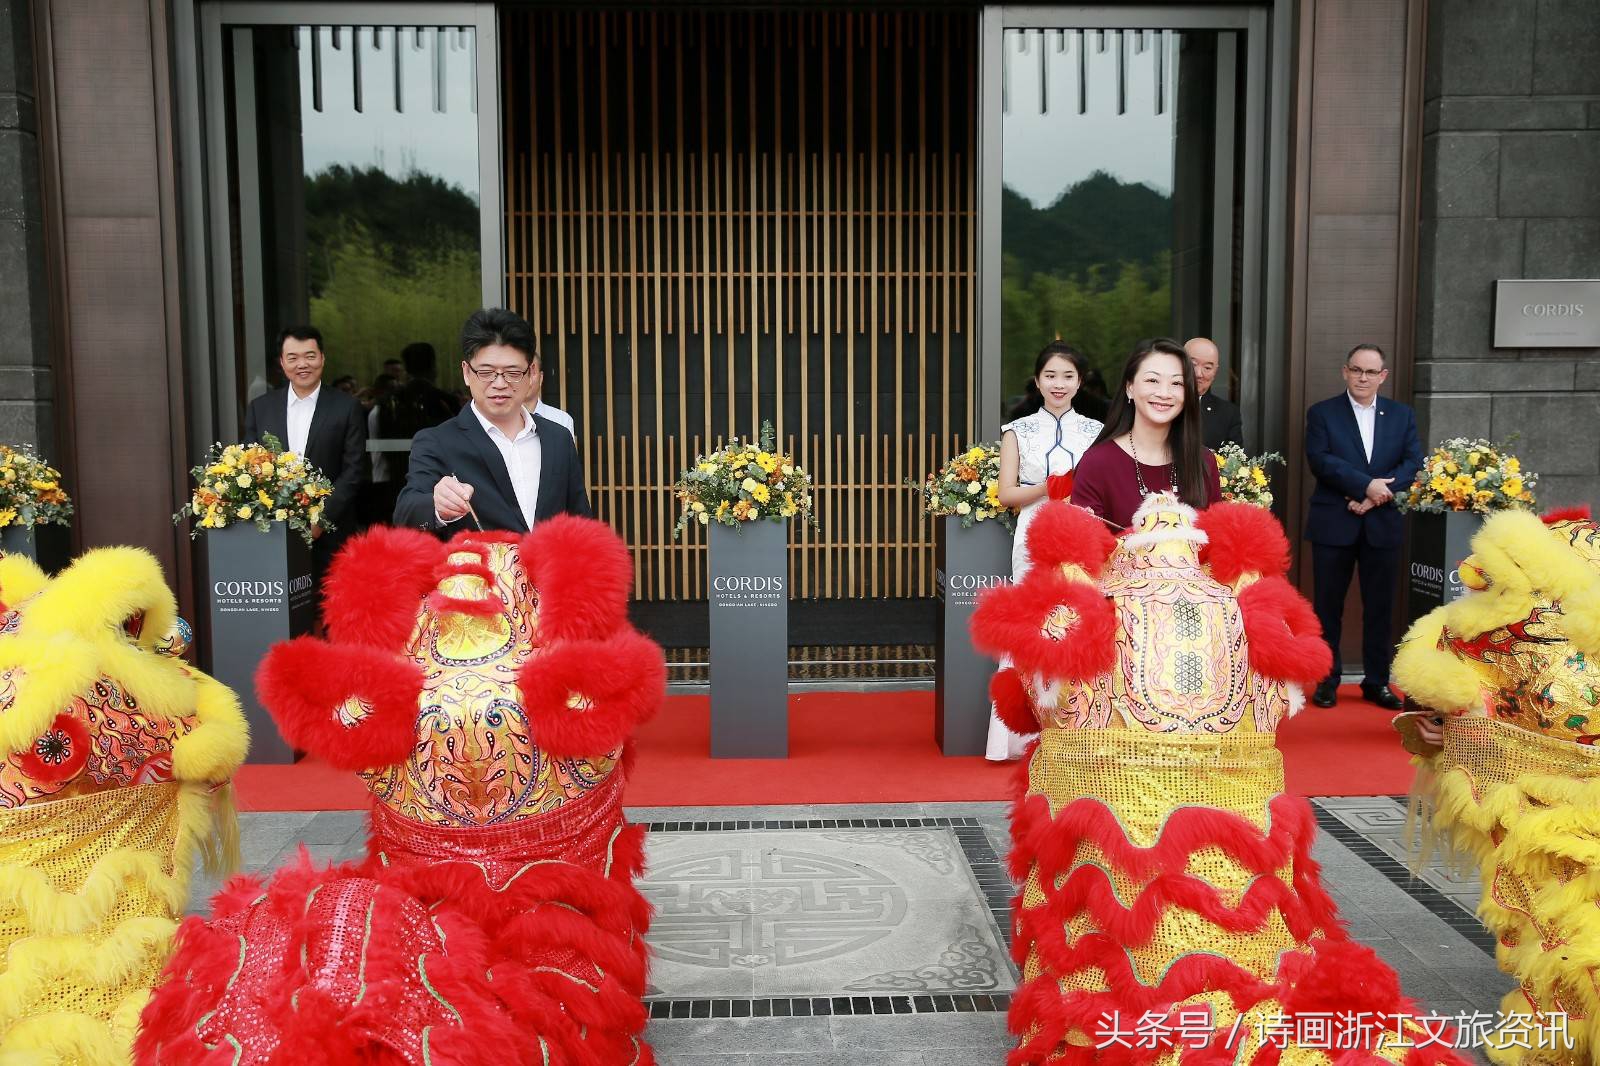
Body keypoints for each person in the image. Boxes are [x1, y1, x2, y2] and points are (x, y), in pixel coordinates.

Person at [987, 340, 1101, 761]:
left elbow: (1099, 492)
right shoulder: (1017, 431)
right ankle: (1016, 735)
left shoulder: (1096, 431)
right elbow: (1006, 493)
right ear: (1037, 381)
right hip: (1032, 531)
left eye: (1067, 376)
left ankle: (1077, 727)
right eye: (1050, 376)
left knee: (1078, 619)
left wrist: (1075, 494)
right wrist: (1049, 489)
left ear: (1080, 382)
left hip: (1082, 533)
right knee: (1031, 623)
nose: (1059, 384)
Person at [394, 308, 591, 533]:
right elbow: (406, 513)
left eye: (512, 372)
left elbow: (580, 520)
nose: (499, 383)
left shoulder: (558, 438)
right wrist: (437, 507)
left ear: (531, 373)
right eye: (486, 372)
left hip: (550, 568)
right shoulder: (437, 442)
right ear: (467, 373)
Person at [1304, 343, 1423, 710]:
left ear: (1382, 376)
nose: (1363, 377)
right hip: (1334, 523)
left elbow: (1413, 462)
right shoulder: (1323, 413)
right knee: (1327, 607)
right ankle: (1327, 680)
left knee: (1380, 608)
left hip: (1382, 523)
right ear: (1345, 371)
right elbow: (1320, 461)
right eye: (1357, 369)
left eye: (1371, 372)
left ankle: (1376, 681)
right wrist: (1364, 485)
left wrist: (1374, 496)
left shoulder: (1401, 415)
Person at [244, 325, 368, 571]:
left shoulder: (347, 407)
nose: (303, 364)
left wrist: (319, 519)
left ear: (322, 357)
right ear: (282, 362)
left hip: (332, 532)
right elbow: (251, 466)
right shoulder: (261, 408)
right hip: (276, 533)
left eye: (310, 356)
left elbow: (354, 471)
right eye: (293, 358)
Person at [1070, 337, 1221, 529]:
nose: (1164, 393)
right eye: (1152, 380)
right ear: (1130, 387)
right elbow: (1083, 553)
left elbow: (1216, 544)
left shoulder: (1203, 461)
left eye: (1177, 383)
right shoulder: (1097, 463)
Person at [1185, 336, 1245, 450]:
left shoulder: (1228, 414)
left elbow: (1235, 463)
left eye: (1207, 367)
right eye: (1193, 364)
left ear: (1215, 372)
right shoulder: (1160, 402)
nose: (1198, 374)